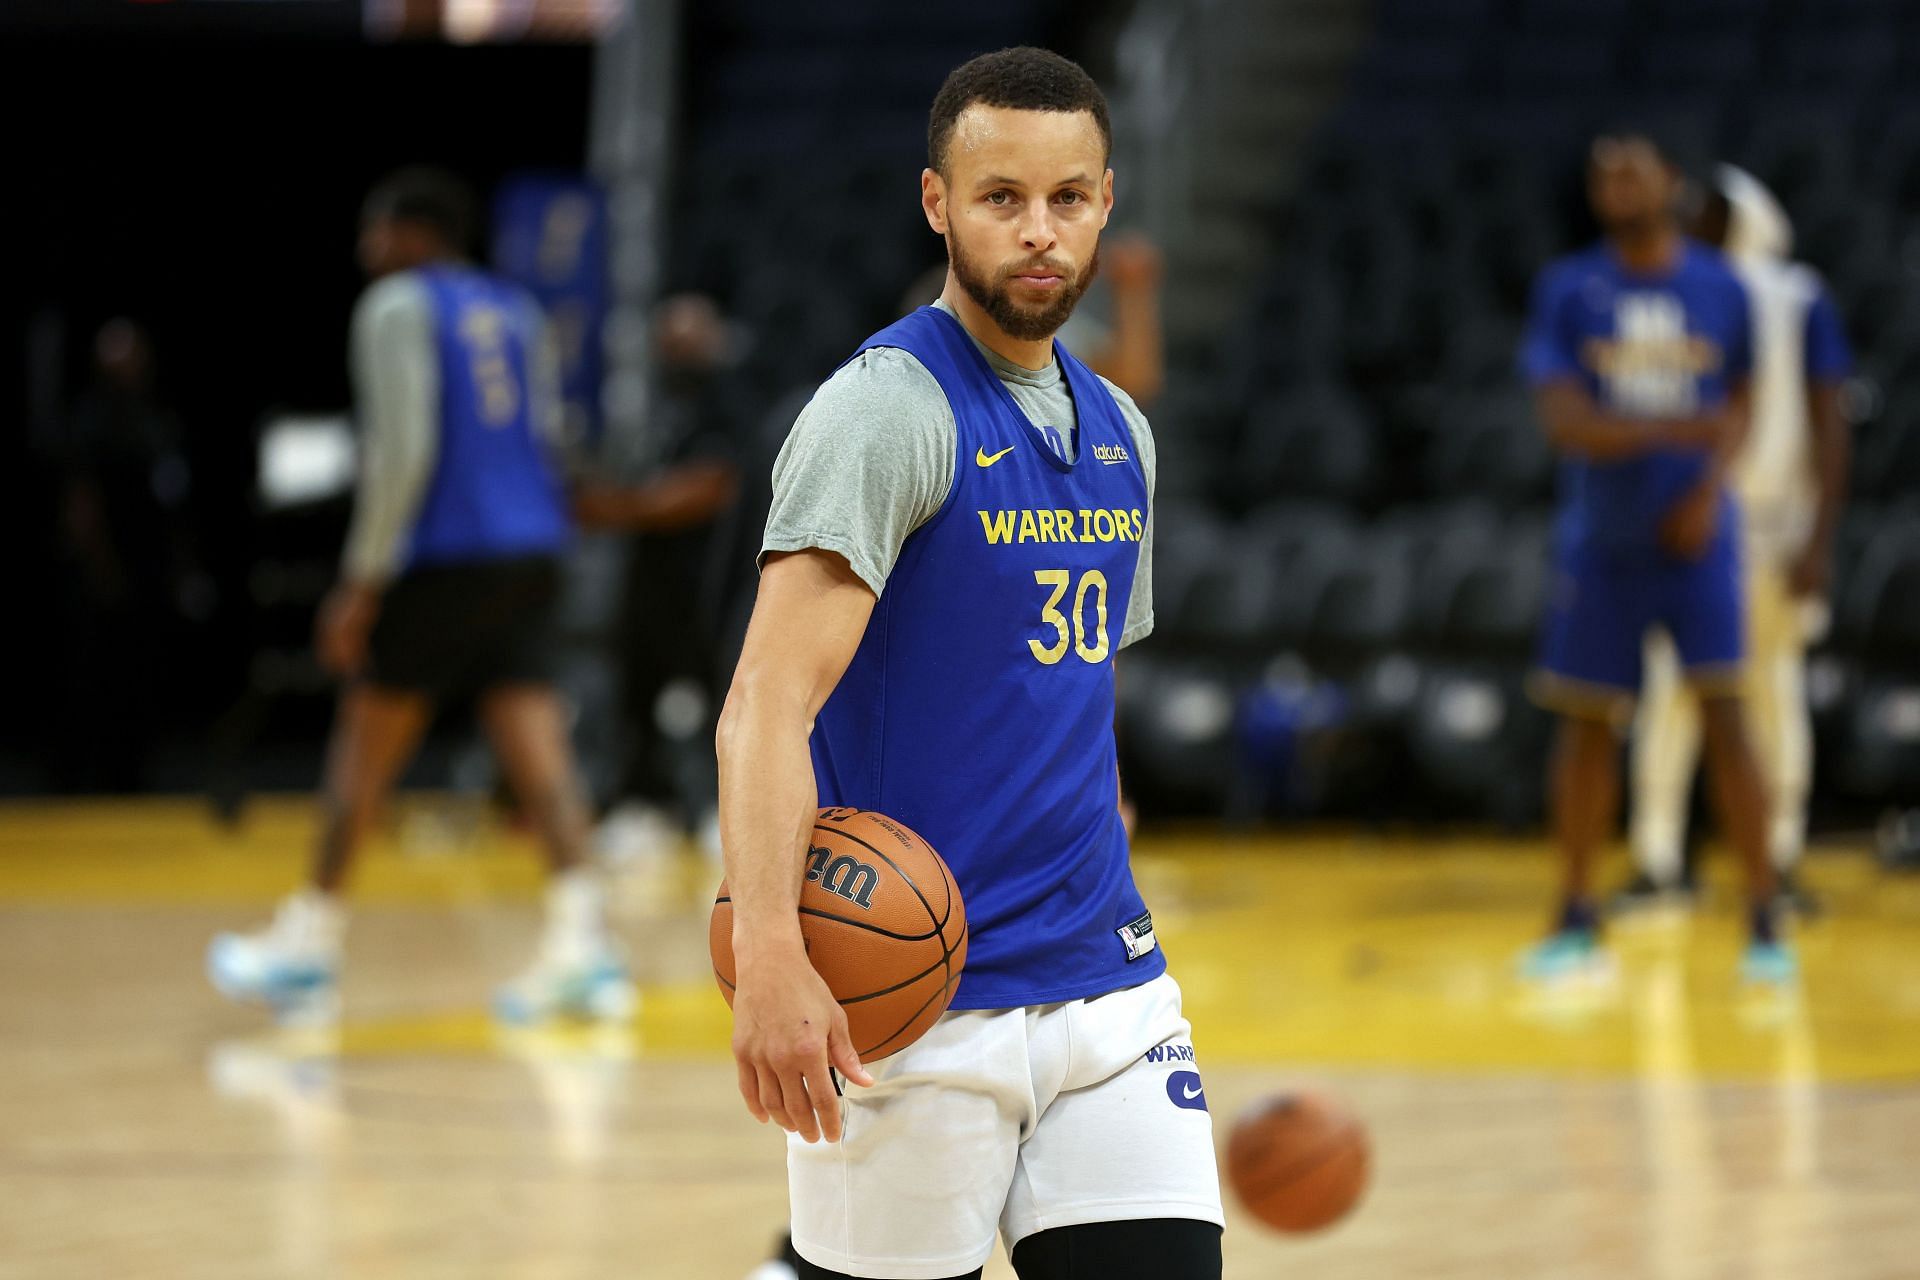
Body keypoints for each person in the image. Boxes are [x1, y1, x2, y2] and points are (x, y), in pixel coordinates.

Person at [720, 48, 1222, 1280]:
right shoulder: (887, 409)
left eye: (1067, 198)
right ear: (939, 203)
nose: (1039, 232)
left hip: (1109, 994)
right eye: (1002, 198)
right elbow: (764, 705)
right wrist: (776, 952)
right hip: (910, 1008)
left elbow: (1064, 695)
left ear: (1106, 198)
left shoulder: (1120, 430)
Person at [207, 168, 730, 1025]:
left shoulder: (395, 308)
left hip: (445, 554)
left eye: (377, 233)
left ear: (414, 235)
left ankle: (308, 944)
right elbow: (547, 438)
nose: (367, 250)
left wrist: (360, 584)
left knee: (364, 750)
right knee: (539, 752)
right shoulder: (516, 312)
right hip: (530, 551)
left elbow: (402, 450)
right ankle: (583, 949)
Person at [1519, 131, 1792, 985]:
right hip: (1602, 542)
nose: (1617, 185)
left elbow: (1741, 398)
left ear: (1670, 181)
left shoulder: (1722, 288)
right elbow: (1567, 426)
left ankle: (1764, 920)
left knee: (1729, 721)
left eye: (1633, 170)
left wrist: (1709, 487)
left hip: (1700, 538)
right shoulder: (1569, 289)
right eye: (1603, 174)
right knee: (1586, 728)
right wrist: (1680, 430)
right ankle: (1574, 915)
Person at [1624, 165, 1853, 915]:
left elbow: (1830, 419)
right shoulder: (1676, 293)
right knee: (1670, 696)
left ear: (1749, 221)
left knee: (1773, 697)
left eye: (1713, 215)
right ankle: (1658, 861)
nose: (1696, 223)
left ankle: (1778, 860)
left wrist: (1819, 537)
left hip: (1776, 531)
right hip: (1693, 528)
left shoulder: (1798, 296)